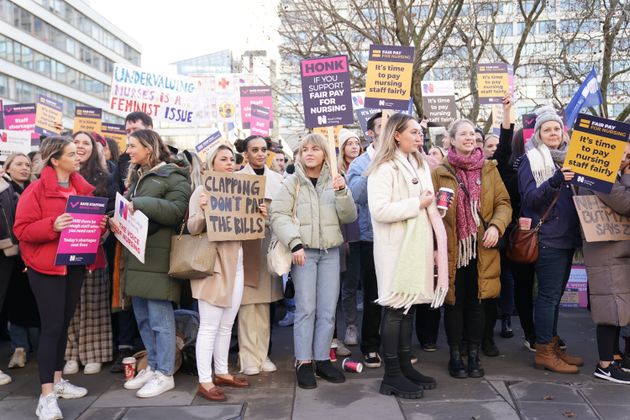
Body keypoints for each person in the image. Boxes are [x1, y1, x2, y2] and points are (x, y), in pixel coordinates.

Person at [14, 136, 109, 420]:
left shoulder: (83, 189)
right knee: (52, 328)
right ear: (55, 160)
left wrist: (99, 227)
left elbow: (88, 230)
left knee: (63, 323)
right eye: (71, 153)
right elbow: (22, 230)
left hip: (75, 264)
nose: (78, 155)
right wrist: (52, 225)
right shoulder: (36, 191)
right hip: (46, 267)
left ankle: (57, 381)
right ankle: (46, 397)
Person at [366, 113, 448, 399]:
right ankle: (391, 375)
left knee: (408, 308)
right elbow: (379, 210)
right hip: (395, 249)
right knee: (394, 310)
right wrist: (418, 203)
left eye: (419, 131)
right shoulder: (384, 168)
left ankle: (404, 365)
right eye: (413, 132)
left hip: (417, 246)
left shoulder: (419, 164)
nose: (419, 135)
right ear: (396, 135)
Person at [271, 133, 357, 389]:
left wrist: (342, 192)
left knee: (328, 310)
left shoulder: (335, 181)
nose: (309, 153)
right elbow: (278, 215)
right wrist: (294, 242)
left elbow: (350, 216)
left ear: (324, 154)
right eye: (305, 149)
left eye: (315, 149)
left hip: (330, 252)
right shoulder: (292, 183)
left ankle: (322, 359)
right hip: (304, 252)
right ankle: (304, 361)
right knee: (307, 308)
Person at [109, 129, 191, 398]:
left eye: (132, 146)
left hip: (158, 256)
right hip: (137, 255)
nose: (128, 151)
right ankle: (153, 365)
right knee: (143, 318)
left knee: (160, 318)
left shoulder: (175, 174)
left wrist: (138, 203)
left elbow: (177, 211)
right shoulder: (138, 176)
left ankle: (165, 372)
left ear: (149, 147)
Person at [432, 118, 512, 379]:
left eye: (472, 134)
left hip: (482, 246)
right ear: (451, 140)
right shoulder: (439, 171)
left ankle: (474, 355)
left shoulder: (489, 169)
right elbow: (431, 212)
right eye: (462, 134)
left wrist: (496, 227)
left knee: (478, 301)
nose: (469, 138)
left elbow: (503, 203)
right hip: (453, 247)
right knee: (454, 302)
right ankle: (456, 356)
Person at [188, 144, 264, 400]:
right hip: (213, 265)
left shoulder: (241, 190)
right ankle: (205, 380)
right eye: (224, 159)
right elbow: (192, 226)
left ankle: (221, 371)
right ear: (211, 165)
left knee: (226, 324)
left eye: (232, 159)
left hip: (237, 265)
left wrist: (260, 214)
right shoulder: (202, 189)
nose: (230, 163)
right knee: (209, 325)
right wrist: (205, 209)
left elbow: (249, 228)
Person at [517, 106, 583, 373]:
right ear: (538, 134)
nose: (553, 133)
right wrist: (555, 180)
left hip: (568, 236)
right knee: (548, 296)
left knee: (554, 297)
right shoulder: (530, 160)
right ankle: (543, 350)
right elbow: (530, 200)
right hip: (548, 237)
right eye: (547, 129)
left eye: (557, 128)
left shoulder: (572, 158)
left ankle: (552, 345)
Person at [61, 132, 116, 376]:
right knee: (69, 304)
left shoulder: (105, 178)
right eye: (77, 143)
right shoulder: (59, 178)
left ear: (94, 149)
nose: (81, 147)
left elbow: (114, 209)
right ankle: (71, 353)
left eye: (86, 143)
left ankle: (94, 353)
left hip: (94, 247)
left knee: (94, 301)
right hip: (63, 248)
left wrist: (103, 230)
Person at [582, 141, 630, 384]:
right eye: (623, 153)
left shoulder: (612, 174)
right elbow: (625, 203)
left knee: (618, 304)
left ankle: (614, 357)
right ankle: (605, 364)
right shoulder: (598, 173)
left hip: (614, 247)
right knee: (609, 305)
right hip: (605, 250)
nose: (625, 158)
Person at [236, 136, 284, 375]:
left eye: (263, 149)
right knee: (246, 305)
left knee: (264, 305)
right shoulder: (235, 179)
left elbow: (285, 213)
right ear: (245, 153)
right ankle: (247, 357)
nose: (259, 153)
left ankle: (262, 354)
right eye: (254, 150)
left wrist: (270, 213)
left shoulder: (278, 179)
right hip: (243, 246)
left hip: (266, 244)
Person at [110, 111, 153, 374]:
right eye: (127, 131)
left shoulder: (168, 164)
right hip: (127, 240)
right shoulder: (123, 163)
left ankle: (158, 359)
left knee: (155, 307)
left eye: (135, 130)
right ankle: (130, 352)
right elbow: (115, 196)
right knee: (129, 298)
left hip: (153, 241)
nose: (129, 135)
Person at [347, 112, 390, 368]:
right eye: (380, 127)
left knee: (398, 292)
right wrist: (374, 167)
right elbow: (355, 197)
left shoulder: (402, 159)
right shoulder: (361, 163)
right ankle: (371, 346)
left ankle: (397, 345)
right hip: (370, 238)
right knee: (374, 294)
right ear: (371, 133)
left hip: (398, 236)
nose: (385, 131)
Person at [1, 154, 40, 372]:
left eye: (27, 164)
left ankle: (33, 346)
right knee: (16, 302)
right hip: (13, 257)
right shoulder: (5, 190)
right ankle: (20, 347)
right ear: (8, 168)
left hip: (34, 252)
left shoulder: (34, 189)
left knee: (34, 300)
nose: (24, 168)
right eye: (19, 164)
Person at [337, 129, 363, 347]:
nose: (354, 146)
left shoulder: (368, 165)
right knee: (350, 283)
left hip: (369, 232)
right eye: (349, 143)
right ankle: (351, 325)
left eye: (356, 143)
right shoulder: (337, 172)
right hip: (349, 235)